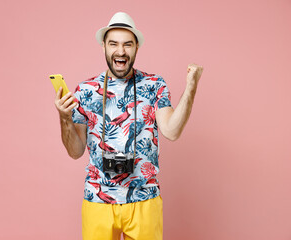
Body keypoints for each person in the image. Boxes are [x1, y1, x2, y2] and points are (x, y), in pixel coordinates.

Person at [54, 12, 203, 240]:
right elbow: (75, 151)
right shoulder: (85, 90)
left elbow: (172, 131)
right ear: (103, 46)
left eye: (127, 45)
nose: (120, 51)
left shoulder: (154, 85)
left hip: (145, 199)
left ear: (136, 48)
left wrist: (191, 86)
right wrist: (64, 117)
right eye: (113, 43)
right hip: (97, 199)